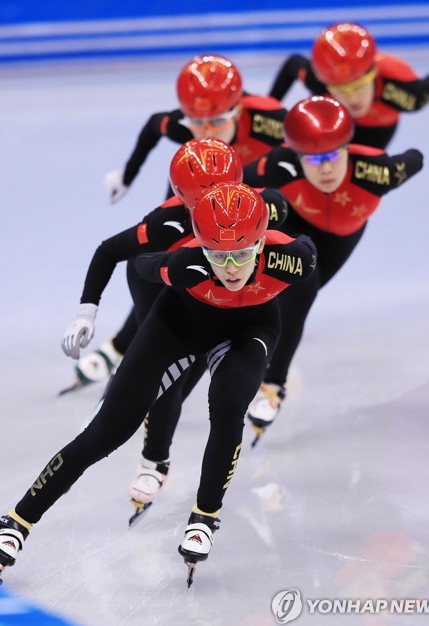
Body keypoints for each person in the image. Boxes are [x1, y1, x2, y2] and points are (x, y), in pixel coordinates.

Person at [0, 182, 316, 587]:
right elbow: (140, 266)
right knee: (106, 432)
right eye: (218, 256)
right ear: (201, 246)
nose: (231, 268)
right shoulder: (186, 262)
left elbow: (307, 248)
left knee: (228, 406)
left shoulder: (291, 259)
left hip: (251, 328)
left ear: (260, 243)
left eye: (242, 254)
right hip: (180, 324)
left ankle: (205, 515)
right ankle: (17, 522)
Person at [65, 53, 289, 392]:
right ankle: (122, 345)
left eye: (216, 121)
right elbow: (155, 125)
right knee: (168, 266)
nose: (204, 131)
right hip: (193, 184)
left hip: (246, 196)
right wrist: (127, 175)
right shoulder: (187, 147)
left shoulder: (271, 121)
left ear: (239, 111)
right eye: (196, 123)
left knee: (250, 261)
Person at [242, 95, 424, 439]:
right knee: (299, 284)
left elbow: (415, 159)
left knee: (296, 297)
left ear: (347, 148)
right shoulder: (280, 165)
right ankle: (273, 385)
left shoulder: (376, 172)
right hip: (295, 223)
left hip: (341, 236)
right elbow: (234, 183)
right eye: (313, 159)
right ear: (296, 155)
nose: (325, 168)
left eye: (333, 156)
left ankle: (268, 372)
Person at [269, 22, 429, 150]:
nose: (352, 99)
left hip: (376, 130)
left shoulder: (407, 95)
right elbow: (292, 64)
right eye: (340, 90)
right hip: (335, 118)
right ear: (326, 85)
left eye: (358, 86)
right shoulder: (318, 79)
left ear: (373, 75)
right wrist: (270, 108)